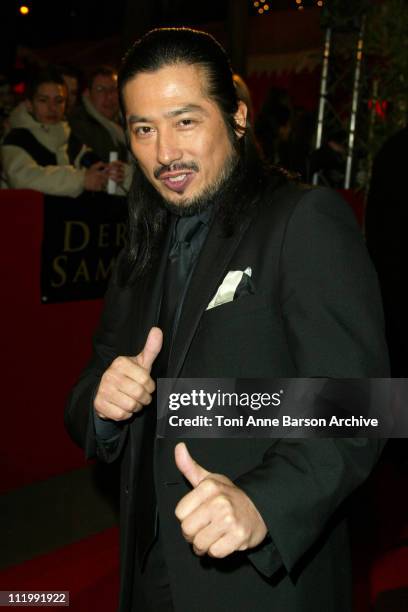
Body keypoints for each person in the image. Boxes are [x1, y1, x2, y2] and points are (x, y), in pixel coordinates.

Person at [65, 28, 389, 612]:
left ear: (236, 117)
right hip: (150, 570)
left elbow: (358, 404)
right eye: (143, 129)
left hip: (262, 581)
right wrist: (103, 404)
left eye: (185, 121)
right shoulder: (140, 246)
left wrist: (264, 503)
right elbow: (89, 386)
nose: (164, 153)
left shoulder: (302, 220)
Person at [0, 66, 115, 196]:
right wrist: (80, 179)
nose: (52, 108)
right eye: (43, 100)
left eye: (59, 101)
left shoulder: (70, 137)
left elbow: (93, 162)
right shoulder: (15, 138)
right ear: (29, 105)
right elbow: (23, 177)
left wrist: (113, 173)